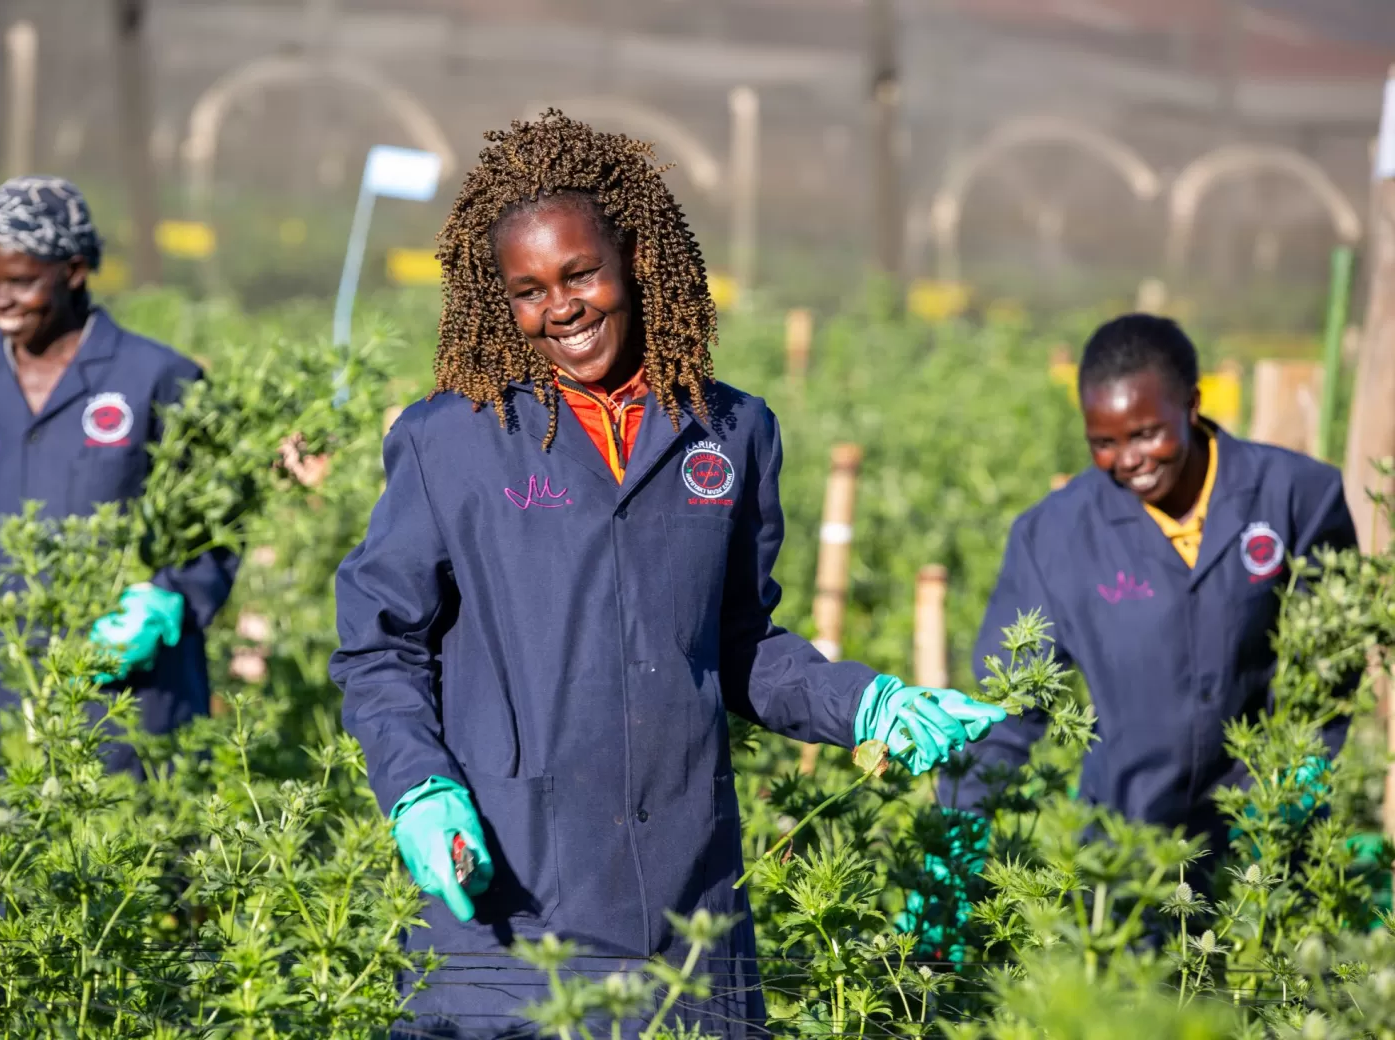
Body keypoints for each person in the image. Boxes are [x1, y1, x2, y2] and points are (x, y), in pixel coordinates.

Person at [328, 112, 1007, 1039]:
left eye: (580, 273)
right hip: (506, 888)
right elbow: (380, 644)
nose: (560, 307)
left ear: (636, 257)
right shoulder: (452, 440)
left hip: (685, 899)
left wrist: (866, 704)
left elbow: (734, 644)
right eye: (529, 290)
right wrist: (416, 784)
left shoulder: (731, 431)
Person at [923, 314, 1357, 938]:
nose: (1128, 460)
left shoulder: (1294, 495)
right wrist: (955, 847)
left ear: (1193, 404)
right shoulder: (1054, 537)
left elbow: (1332, 658)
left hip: (1266, 838)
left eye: (1147, 433)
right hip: (1127, 859)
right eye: (1104, 441)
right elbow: (1006, 711)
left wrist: (1308, 766)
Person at [0, 176, 237, 780]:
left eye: (21, 280)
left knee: (146, 866)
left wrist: (166, 601)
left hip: (139, 708)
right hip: (12, 713)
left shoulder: (158, 378)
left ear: (74, 270)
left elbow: (216, 529)